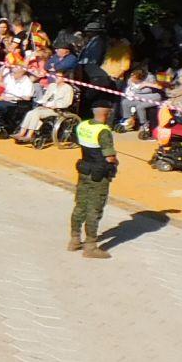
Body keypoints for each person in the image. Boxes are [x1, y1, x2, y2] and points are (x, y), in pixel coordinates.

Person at [69, 102, 119, 258]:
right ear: (107, 114)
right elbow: (109, 157)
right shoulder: (103, 131)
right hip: (99, 173)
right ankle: (90, 246)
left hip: (84, 169)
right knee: (94, 208)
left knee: (80, 205)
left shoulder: (83, 125)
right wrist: (116, 162)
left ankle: (74, 239)